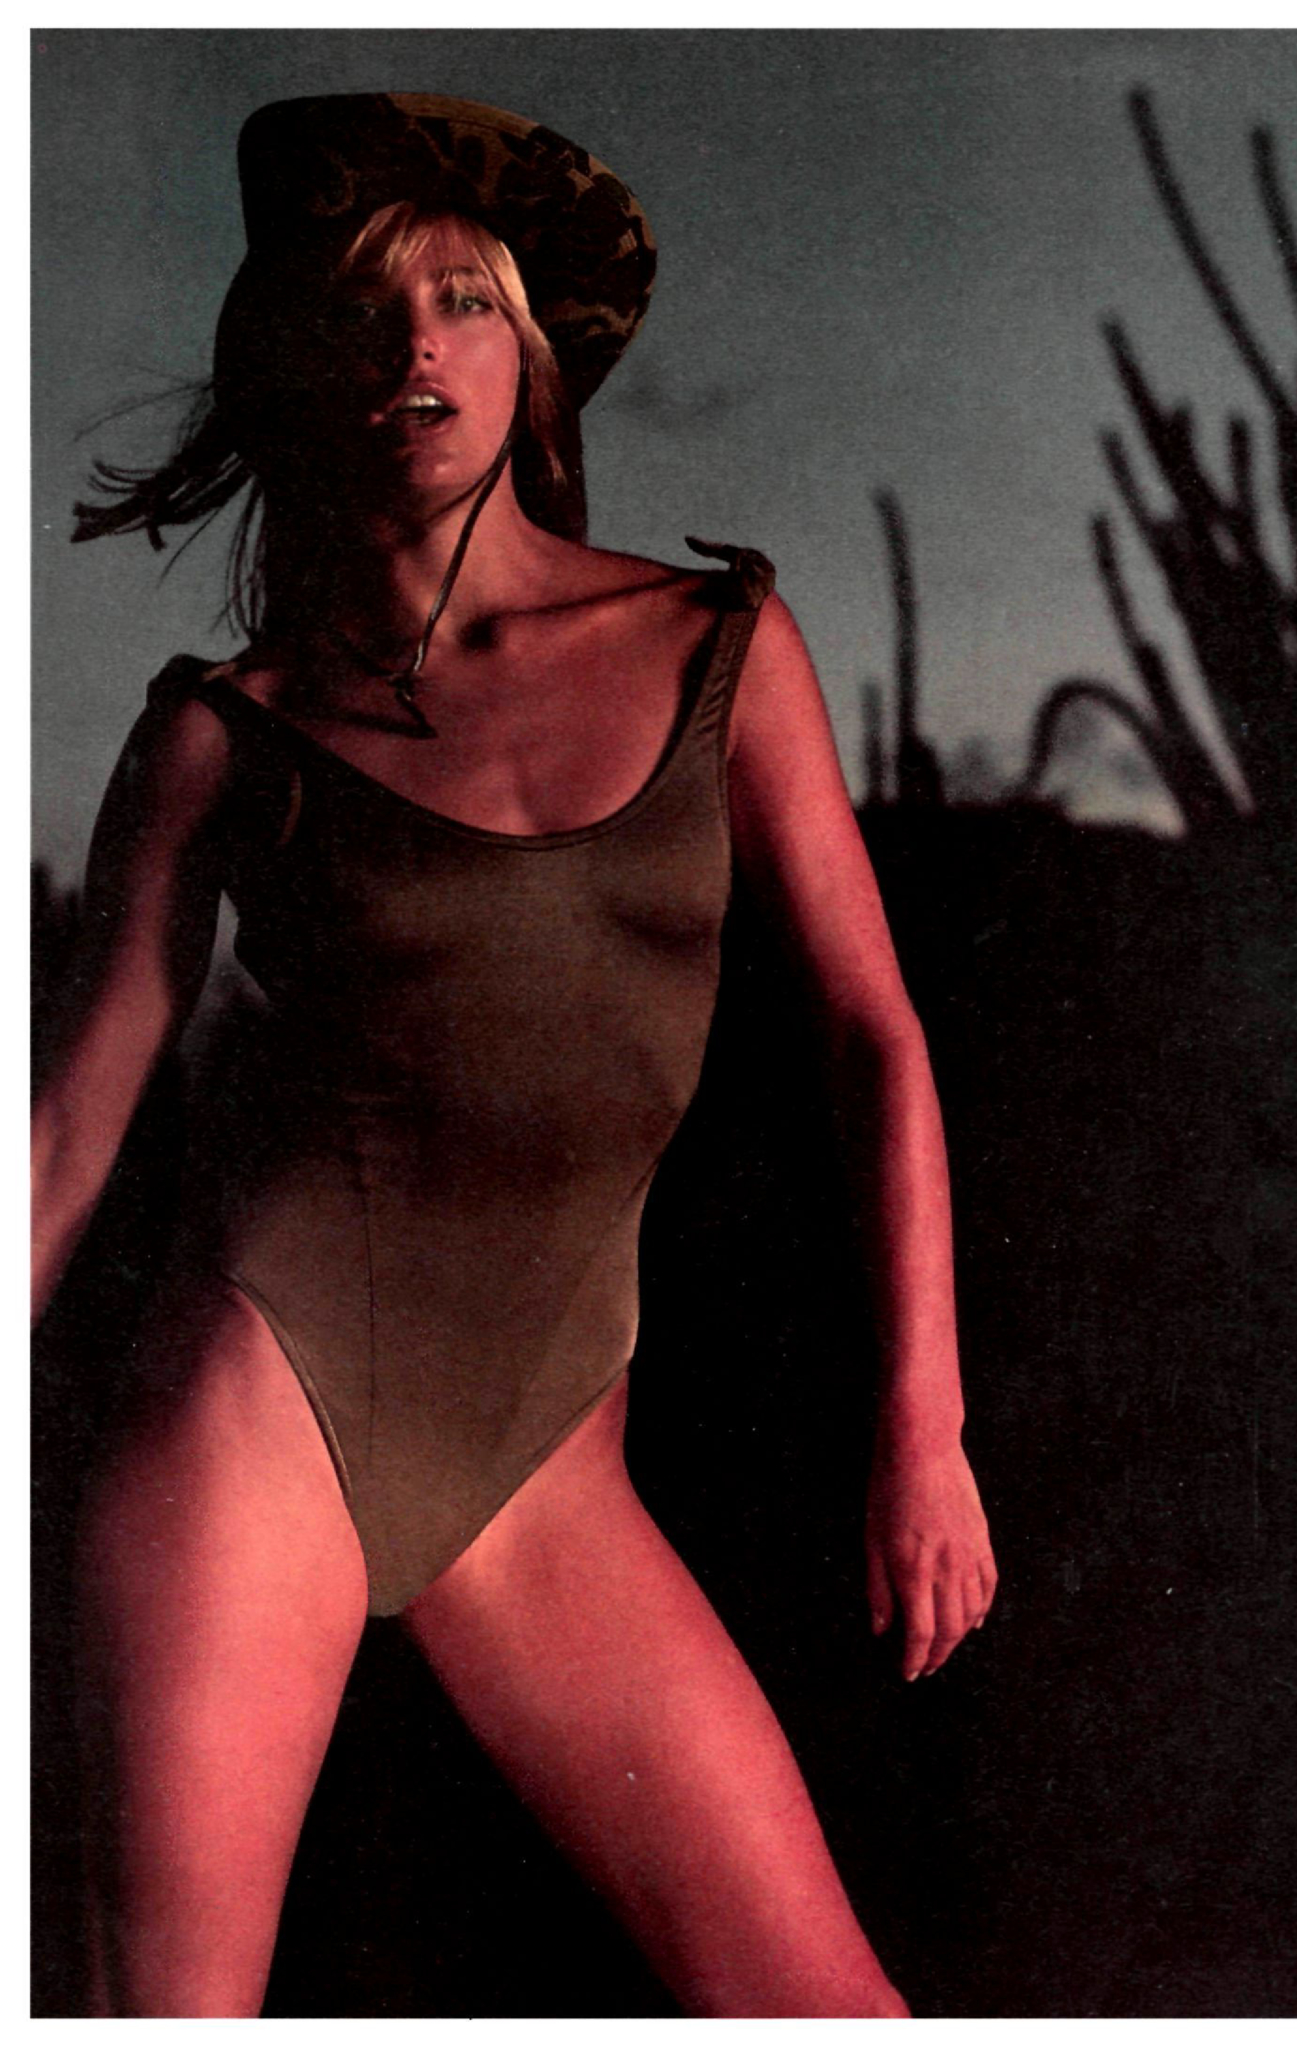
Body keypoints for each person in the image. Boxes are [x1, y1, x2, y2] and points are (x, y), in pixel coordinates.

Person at [32, 93, 996, 2019]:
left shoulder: (717, 643)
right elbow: (63, 1139)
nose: (417, 345)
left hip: (546, 1459)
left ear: (531, 356)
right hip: (262, 1414)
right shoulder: (228, 730)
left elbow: (874, 1037)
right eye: (368, 310)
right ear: (307, 367)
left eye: (463, 300)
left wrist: (923, 1424)